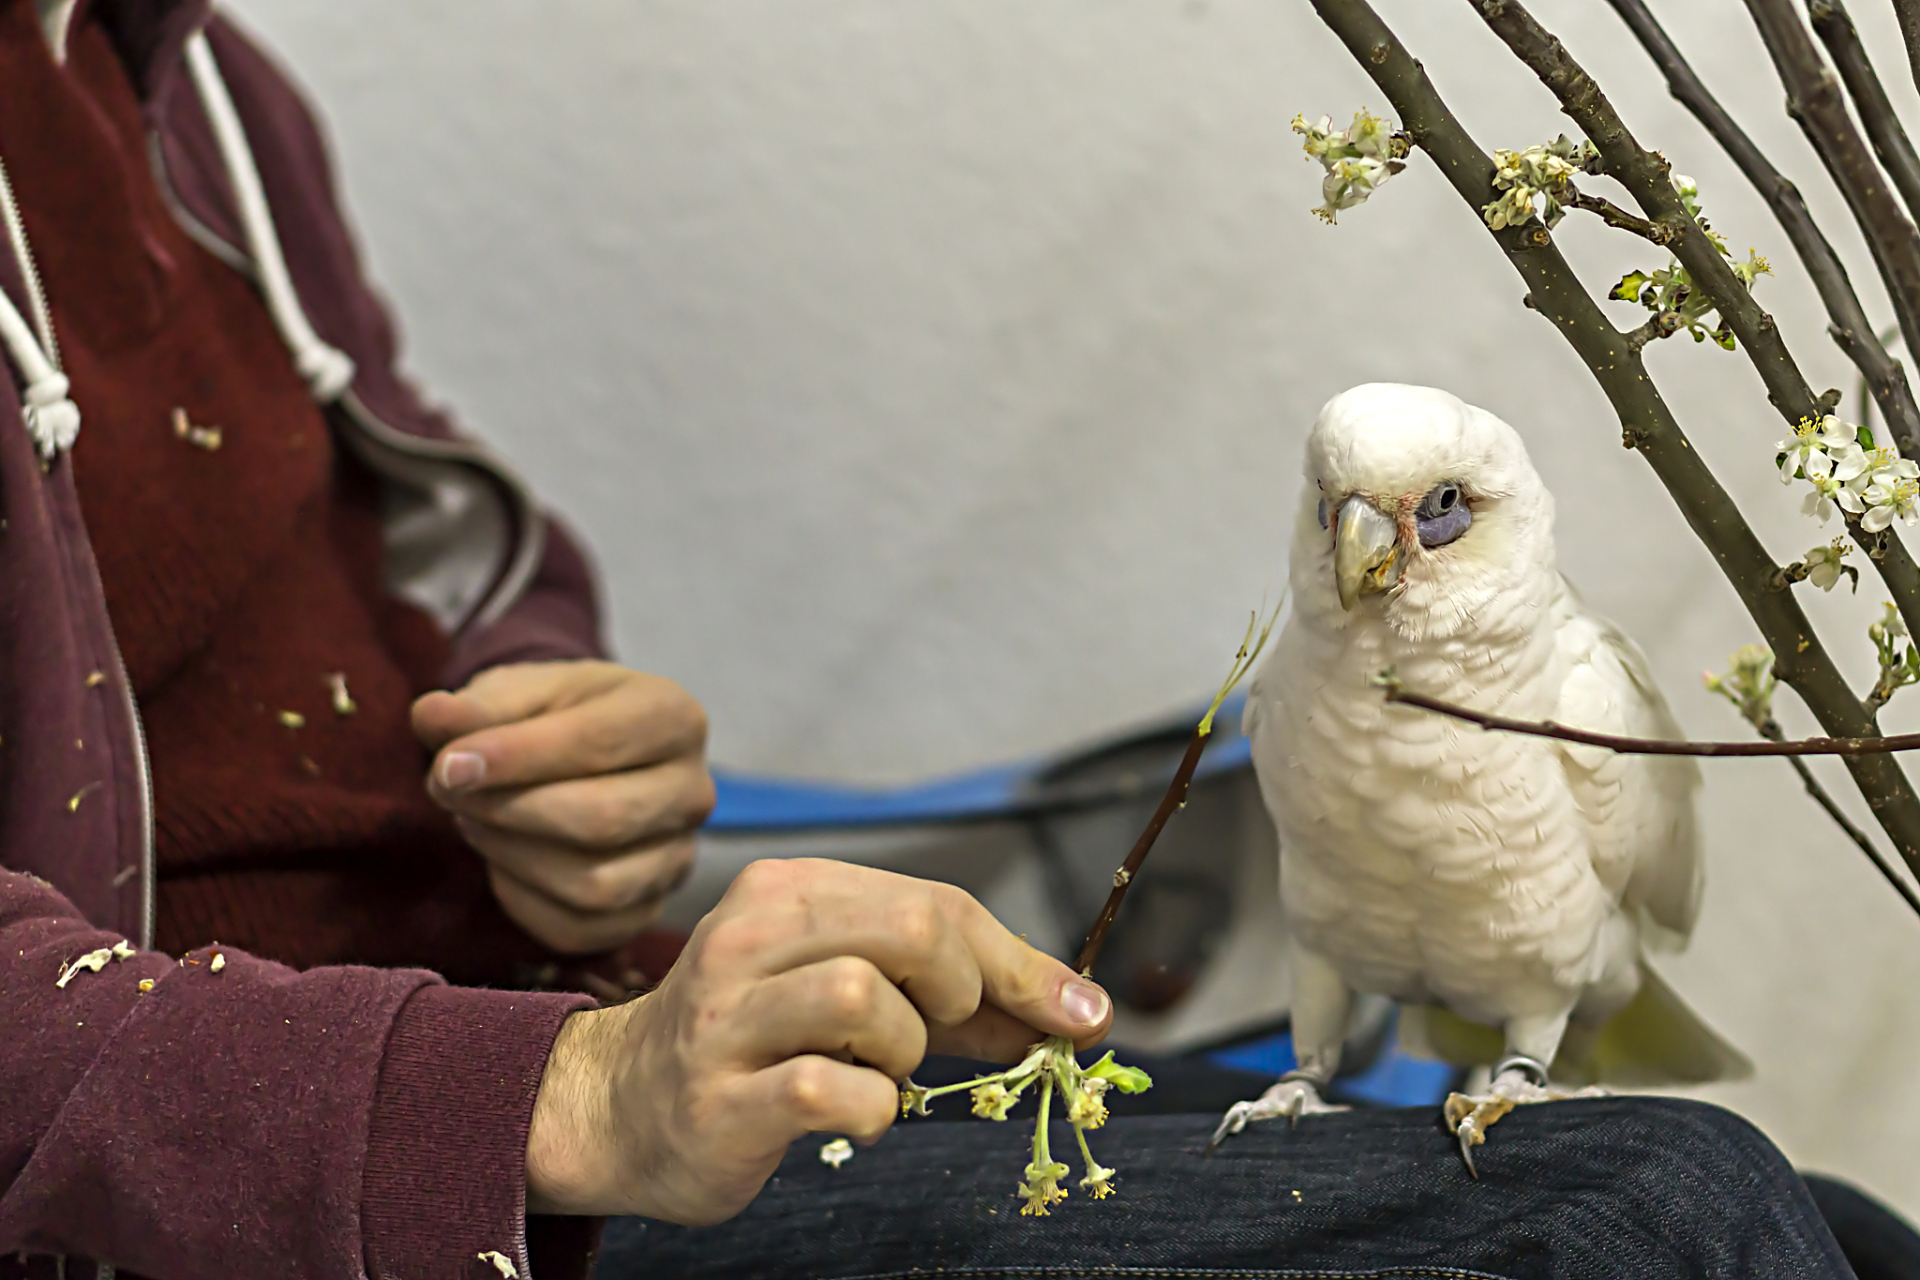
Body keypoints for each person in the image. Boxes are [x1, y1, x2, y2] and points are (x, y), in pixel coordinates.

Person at [0, 3, 1889, 1279]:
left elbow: (433, 537)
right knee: (1659, 1206)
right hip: (355, 1165)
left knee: (1842, 1232)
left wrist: (549, 732)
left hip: (570, 1011)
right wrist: (562, 1096)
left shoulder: (191, 83)